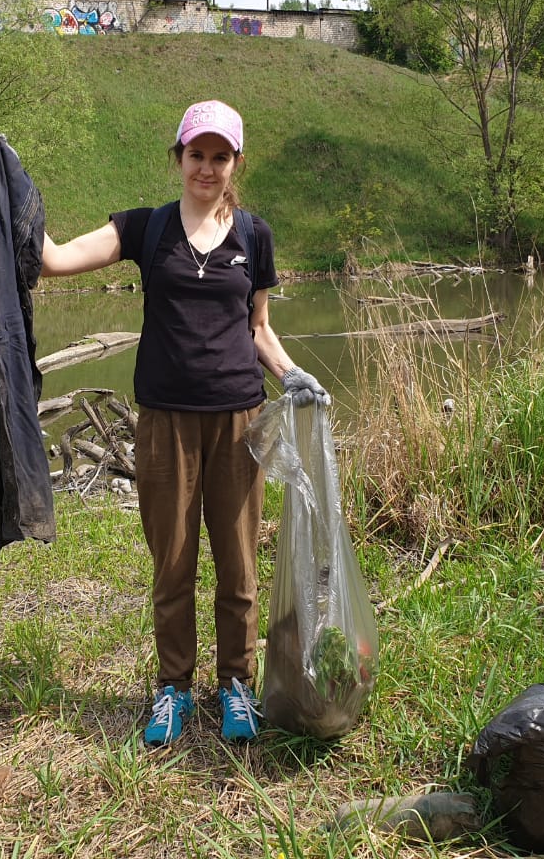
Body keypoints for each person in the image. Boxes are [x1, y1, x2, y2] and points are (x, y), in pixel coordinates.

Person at [40, 99, 329, 746]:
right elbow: (55, 259)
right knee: (171, 562)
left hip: (238, 421)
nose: (206, 166)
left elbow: (258, 329)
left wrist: (293, 376)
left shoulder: (254, 235)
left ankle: (235, 685)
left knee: (238, 564)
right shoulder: (145, 229)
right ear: (179, 158)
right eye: (196, 154)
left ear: (235, 163)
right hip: (166, 423)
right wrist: (14, 205)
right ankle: (172, 688)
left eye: (219, 156)